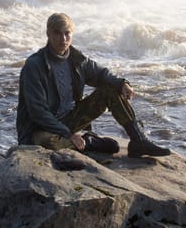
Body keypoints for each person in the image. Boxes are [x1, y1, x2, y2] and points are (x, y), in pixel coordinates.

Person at [16, 12, 171, 157]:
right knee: (45, 143)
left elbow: (102, 74)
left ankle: (138, 140)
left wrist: (122, 83)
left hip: (70, 119)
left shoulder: (77, 59)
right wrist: (68, 134)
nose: (63, 39)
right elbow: (37, 112)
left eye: (67, 33)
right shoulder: (34, 66)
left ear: (72, 34)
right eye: (57, 33)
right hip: (40, 128)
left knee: (110, 88)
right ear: (48, 34)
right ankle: (90, 142)